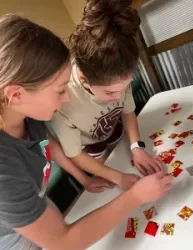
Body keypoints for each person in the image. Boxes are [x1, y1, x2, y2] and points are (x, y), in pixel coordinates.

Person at [0, 14, 172, 250]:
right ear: (16, 94)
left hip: (35, 201)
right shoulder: (3, 166)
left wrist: (83, 179)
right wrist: (136, 197)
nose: (67, 97)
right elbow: (63, 243)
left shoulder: (23, 114)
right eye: (60, 90)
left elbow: (45, 142)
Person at [49, 0, 162, 190]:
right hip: (89, 149)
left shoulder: (116, 70)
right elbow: (75, 154)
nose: (119, 97)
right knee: (113, 183)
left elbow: (127, 112)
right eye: (110, 92)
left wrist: (136, 147)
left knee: (127, 160)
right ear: (85, 78)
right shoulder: (63, 99)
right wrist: (118, 177)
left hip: (114, 130)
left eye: (124, 87)